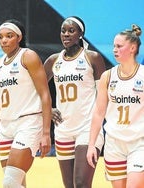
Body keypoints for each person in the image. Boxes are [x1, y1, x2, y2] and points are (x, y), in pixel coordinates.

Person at [0, 19, 52, 188]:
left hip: (28, 123)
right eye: (0, 37)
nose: (3, 40)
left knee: (10, 184)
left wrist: (46, 132)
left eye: (9, 36)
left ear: (19, 37)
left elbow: (45, 95)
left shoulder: (28, 56)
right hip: (5, 127)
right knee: (17, 184)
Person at [44, 16, 106, 188]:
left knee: (81, 183)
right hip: (63, 128)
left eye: (71, 31)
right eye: (63, 31)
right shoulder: (53, 60)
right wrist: (48, 108)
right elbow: (37, 88)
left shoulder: (92, 57)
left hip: (87, 127)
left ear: (81, 34)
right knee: (70, 185)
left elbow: (104, 95)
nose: (66, 34)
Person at [87, 25, 144, 188]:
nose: (114, 49)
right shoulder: (107, 76)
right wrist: (92, 145)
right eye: (114, 46)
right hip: (114, 144)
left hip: (139, 142)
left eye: (119, 46)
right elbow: (99, 113)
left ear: (133, 48)